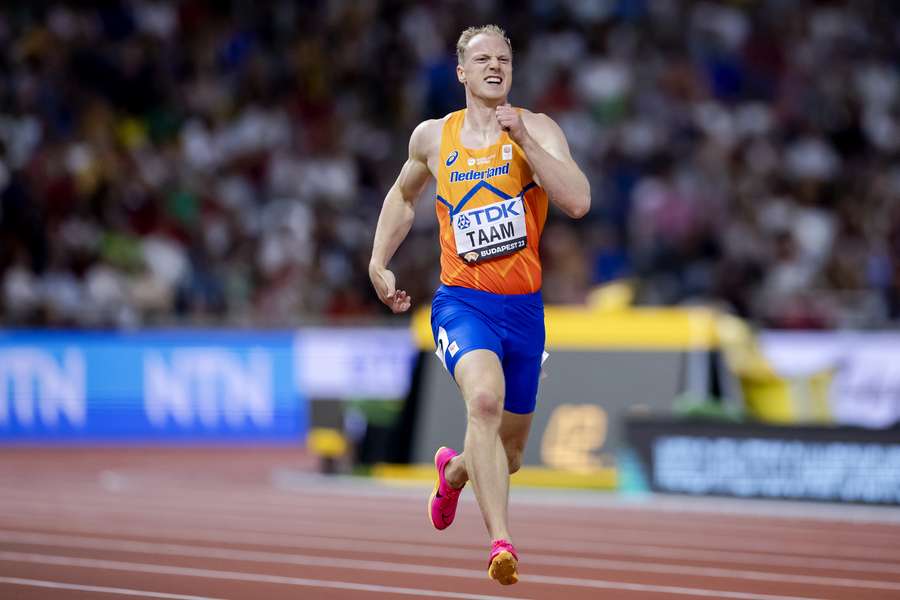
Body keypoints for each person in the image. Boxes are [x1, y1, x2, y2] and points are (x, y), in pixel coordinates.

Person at [368, 24, 590, 585]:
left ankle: (456, 471)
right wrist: (378, 261)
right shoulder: (431, 137)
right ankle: (501, 543)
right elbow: (403, 194)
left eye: (504, 59)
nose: (495, 66)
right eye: (482, 59)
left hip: (524, 313)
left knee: (508, 455)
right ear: (461, 72)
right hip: (462, 304)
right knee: (484, 404)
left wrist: (528, 144)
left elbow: (578, 201)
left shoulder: (536, 128)